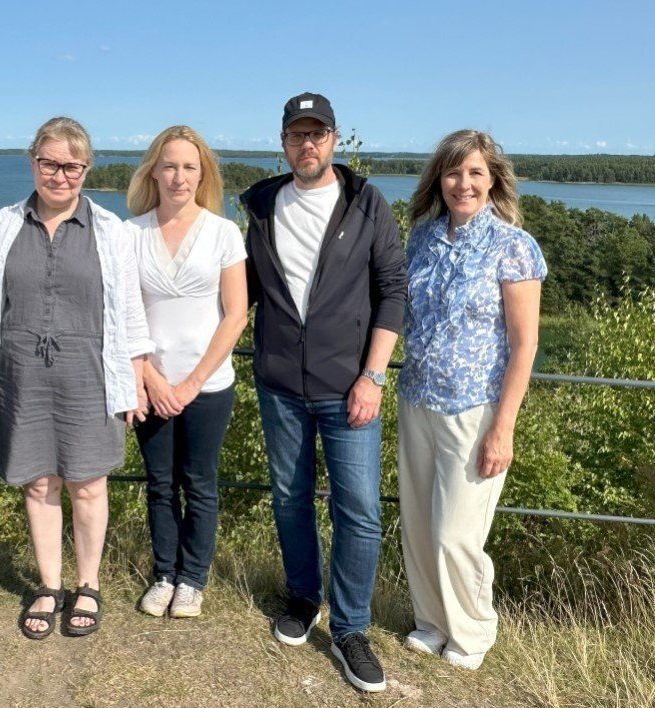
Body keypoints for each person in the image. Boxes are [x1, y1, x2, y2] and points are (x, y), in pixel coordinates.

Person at [240, 92, 406, 693]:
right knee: (289, 497)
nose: (306, 145)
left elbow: (393, 291)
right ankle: (304, 598)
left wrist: (374, 375)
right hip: (280, 385)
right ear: (282, 141)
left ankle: (351, 629)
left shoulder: (366, 204)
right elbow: (242, 294)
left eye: (318, 134)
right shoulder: (260, 205)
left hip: (348, 388)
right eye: (296, 135)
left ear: (334, 139)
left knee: (359, 509)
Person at [0, 117, 153, 639]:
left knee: (88, 483)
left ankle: (89, 584)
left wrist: (136, 376)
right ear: (32, 161)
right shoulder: (3, 224)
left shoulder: (112, 230)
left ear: (86, 168)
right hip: (20, 374)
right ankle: (49, 586)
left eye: (72, 166)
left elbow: (129, 309)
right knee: (38, 482)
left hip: (89, 374)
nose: (60, 176)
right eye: (49, 163)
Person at [398, 130, 546, 670]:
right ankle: (433, 623)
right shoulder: (422, 238)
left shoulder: (513, 245)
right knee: (418, 523)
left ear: (493, 181)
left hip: (475, 407)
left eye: (475, 173)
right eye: (454, 172)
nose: (464, 183)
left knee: (455, 532)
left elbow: (525, 344)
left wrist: (502, 427)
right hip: (416, 398)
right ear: (440, 179)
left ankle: (474, 631)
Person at [124, 126, 247, 618]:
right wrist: (152, 378)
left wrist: (191, 384)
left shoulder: (223, 233)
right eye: (169, 165)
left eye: (189, 167)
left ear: (203, 174)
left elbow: (236, 314)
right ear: (154, 169)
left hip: (208, 386)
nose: (179, 176)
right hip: (151, 384)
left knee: (199, 483)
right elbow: (124, 313)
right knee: (159, 483)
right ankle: (164, 573)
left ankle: (192, 580)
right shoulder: (130, 233)